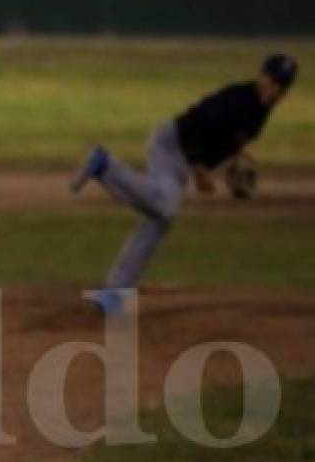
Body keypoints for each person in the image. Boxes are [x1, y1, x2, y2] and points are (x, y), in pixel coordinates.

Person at [71, 53, 299, 315]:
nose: (277, 90)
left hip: (181, 153)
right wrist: (200, 169)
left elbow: (227, 136)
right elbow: (194, 126)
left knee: (158, 220)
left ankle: (114, 292)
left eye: (283, 86)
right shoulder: (238, 100)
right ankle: (106, 165)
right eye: (274, 82)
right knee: (165, 208)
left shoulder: (260, 110)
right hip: (172, 146)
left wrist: (235, 156)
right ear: (263, 77)